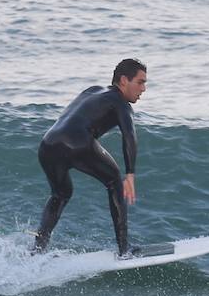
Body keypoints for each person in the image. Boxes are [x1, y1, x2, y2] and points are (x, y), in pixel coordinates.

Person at [31, 58, 148, 258]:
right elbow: (130, 136)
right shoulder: (121, 103)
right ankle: (124, 249)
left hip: (48, 144)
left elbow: (71, 117)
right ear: (123, 80)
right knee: (114, 181)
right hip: (78, 141)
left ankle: (37, 249)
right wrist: (130, 174)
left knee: (61, 194)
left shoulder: (93, 90)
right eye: (140, 82)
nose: (143, 88)